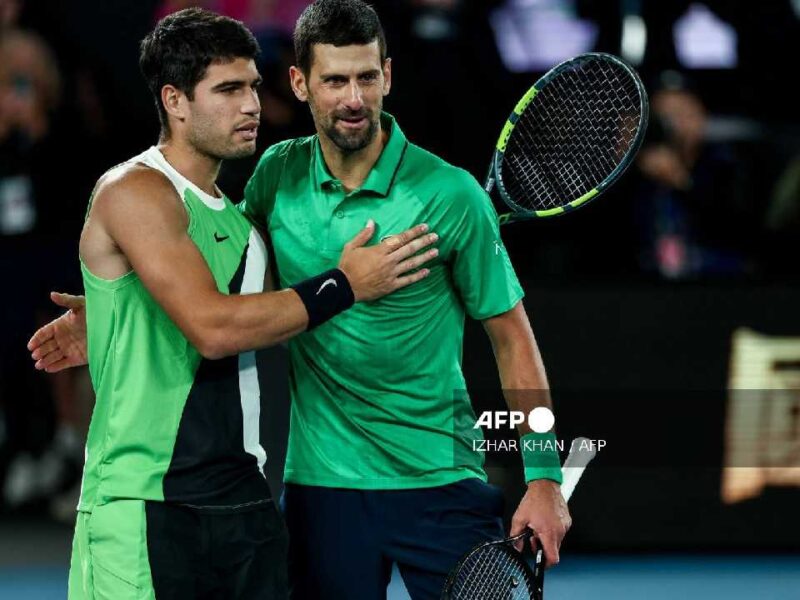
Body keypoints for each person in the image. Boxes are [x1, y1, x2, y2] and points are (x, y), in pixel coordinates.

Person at [31, 2, 571, 598]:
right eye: (335, 80)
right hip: (320, 492)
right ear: (301, 83)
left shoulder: (452, 195)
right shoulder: (274, 176)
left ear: (388, 76)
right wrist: (121, 308)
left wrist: (544, 476)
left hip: (439, 480)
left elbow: (512, 337)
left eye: (367, 78)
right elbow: (216, 281)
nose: (354, 98)